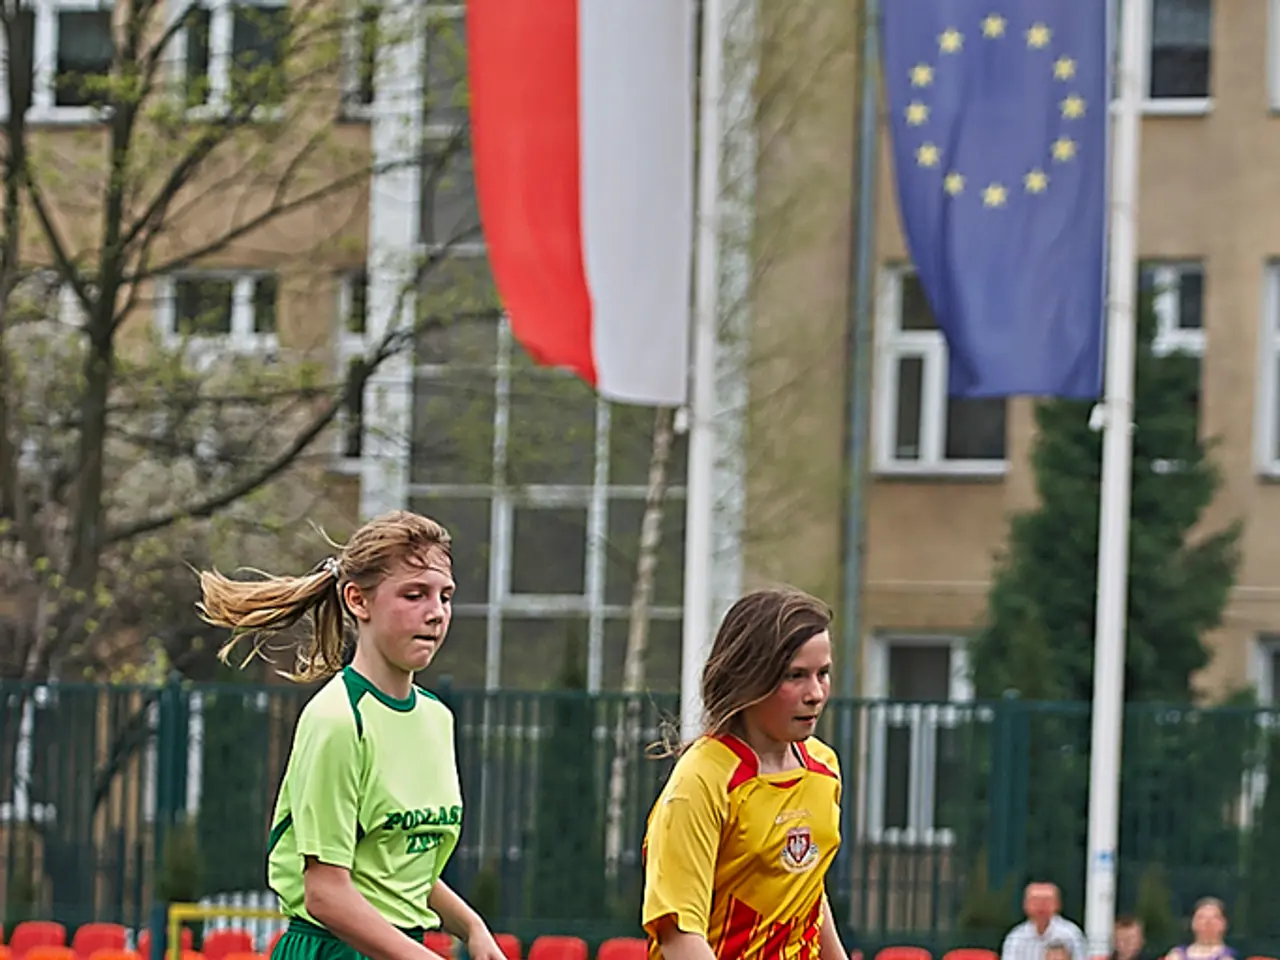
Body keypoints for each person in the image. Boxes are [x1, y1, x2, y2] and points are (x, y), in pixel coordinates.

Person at [196, 510, 504, 960]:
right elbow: (325, 893)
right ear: (358, 601)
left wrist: (473, 928)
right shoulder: (338, 720)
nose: (436, 612)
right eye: (414, 594)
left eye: (445, 596)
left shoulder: (437, 718)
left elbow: (395, 865)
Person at [641, 587, 849, 960]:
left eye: (824, 673)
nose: (815, 693)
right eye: (795, 675)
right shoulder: (700, 781)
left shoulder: (823, 768)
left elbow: (809, 894)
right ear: (750, 677)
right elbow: (679, 937)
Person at [999, 883, 1085, 960]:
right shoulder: (1016, 937)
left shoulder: (1071, 934)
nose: (1041, 905)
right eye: (1035, 900)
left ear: (1058, 904)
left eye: (1047, 900)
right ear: (1025, 904)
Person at [1165, 897, 1236, 960]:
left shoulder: (1230, 957)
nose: (1208, 922)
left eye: (1214, 918)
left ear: (1224, 923)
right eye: (1201, 917)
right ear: (1192, 923)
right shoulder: (1176, 955)